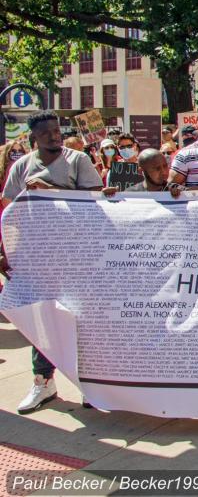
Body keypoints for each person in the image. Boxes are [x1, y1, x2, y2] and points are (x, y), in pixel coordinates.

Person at [1, 111, 103, 414]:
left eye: (57, 131)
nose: (54, 136)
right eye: (46, 133)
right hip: (38, 256)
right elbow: (11, 209)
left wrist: (53, 192)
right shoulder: (22, 166)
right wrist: (9, 249)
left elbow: (95, 197)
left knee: (81, 318)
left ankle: (90, 382)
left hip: (75, 254)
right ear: (35, 137)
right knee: (42, 318)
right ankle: (43, 381)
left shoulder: (78, 161)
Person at [104, 149, 183, 195]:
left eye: (165, 166)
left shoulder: (176, 190)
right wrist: (111, 198)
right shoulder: (131, 194)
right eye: (157, 168)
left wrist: (183, 196)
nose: (164, 172)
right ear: (141, 171)